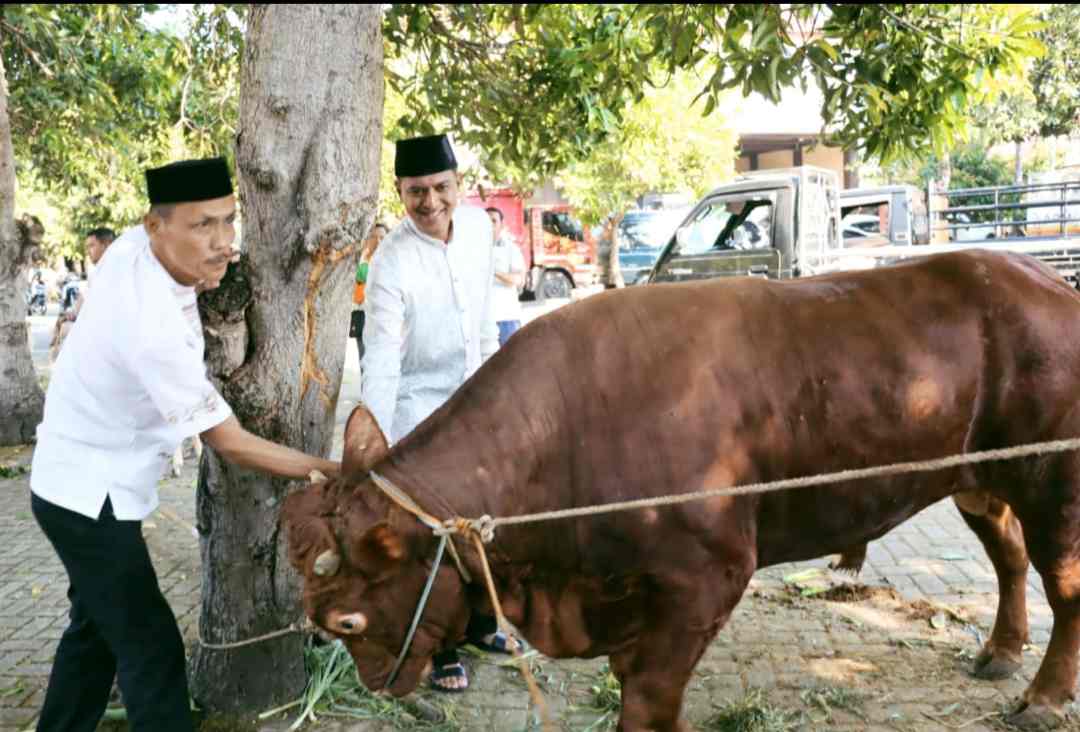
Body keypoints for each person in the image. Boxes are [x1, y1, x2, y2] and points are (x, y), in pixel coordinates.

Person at [29, 157, 341, 732]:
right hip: (88, 499)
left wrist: (198, 256)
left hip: (75, 480)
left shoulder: (134, 248)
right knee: (151, 649)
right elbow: (227, 440)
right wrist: (326, 470)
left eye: (228, 221)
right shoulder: (151, 325)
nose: (225, 244)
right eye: (203, 226)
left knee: (94, 632)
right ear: (155, 226)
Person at [362, 134, 512, 693]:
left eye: (440, 188)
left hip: (473, 397)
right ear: (400, 191)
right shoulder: (390, 261)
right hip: (416, 408)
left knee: (487, 525)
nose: (430, 202)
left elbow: (483, 320)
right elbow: (380, 358)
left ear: (460, 186)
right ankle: (443, 647)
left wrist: (496, 396)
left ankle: (485, 624)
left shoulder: (477, 229)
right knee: (434, 536)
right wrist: (375, 444)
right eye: (415, 191)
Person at [49, 228, 116, 362]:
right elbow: (84, 299)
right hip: (95, 328)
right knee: (63, 326)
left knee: (67, 331)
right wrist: (72, 313)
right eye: (87, 247)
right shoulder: (96, 272)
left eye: (92, 245)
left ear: (107, 245)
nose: (88, 251)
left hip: (109, 332)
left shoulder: (117, 270)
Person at [351, 222, 389, 366]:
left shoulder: (392, 262)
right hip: (362, 320)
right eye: (373, 237)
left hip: (383, 325)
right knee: (365, 367)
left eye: (381, 237)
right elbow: (357, 288)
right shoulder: (360, 262)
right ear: (367, 240)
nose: (377, 241)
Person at [486, 207, 525, 346]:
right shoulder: (473, 249)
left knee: (512, 363)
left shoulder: (511, 249)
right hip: (483, 320)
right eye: (486, 221)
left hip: (506, 318)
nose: (489, 224)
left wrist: (493, 271)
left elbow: (518, 280)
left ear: (501, 225)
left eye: (493, 221)